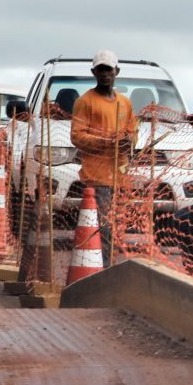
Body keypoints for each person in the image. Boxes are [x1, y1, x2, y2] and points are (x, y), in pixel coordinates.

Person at [69, 49, 135, 261]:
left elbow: (133, 132)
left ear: (117, 71)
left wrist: (129, 142)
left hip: (121, 177)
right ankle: (100, 268)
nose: (105, 74)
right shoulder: (85, 102)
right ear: (94, 72)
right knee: (102, 227)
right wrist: (107, 141)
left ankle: (108, 265)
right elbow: (77, 136)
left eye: (108, 70)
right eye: (100, 70)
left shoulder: (124, 103)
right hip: (97, 177)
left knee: (117, 227)